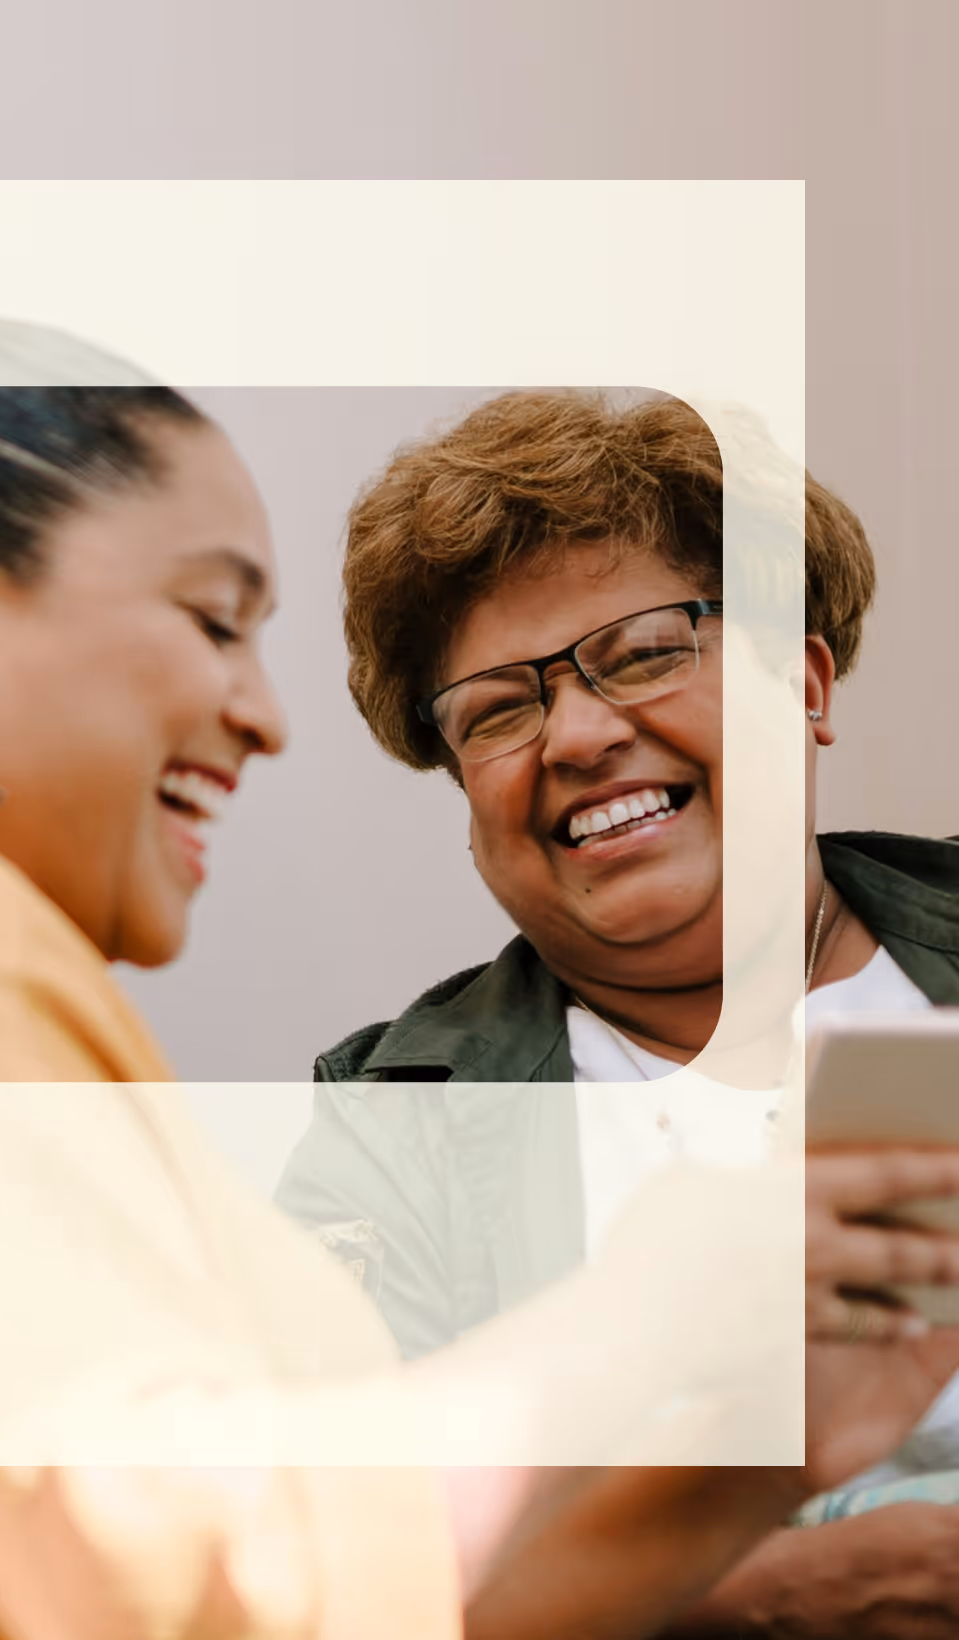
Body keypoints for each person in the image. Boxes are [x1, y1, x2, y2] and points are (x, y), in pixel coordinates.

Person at [0, 258, 959, 1640]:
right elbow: (183, 1578)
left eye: (645, 650)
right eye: (213, 618)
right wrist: (667, 1302)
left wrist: (762, 1454)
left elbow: (360, 1590)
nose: (265, 716)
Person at [274, 388, 959, 1637]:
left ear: (801, 680)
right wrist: (767, 1600)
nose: (579, 733)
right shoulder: (391, 1134)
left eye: (644, 650)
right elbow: (327, 1579)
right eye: (498, 707)